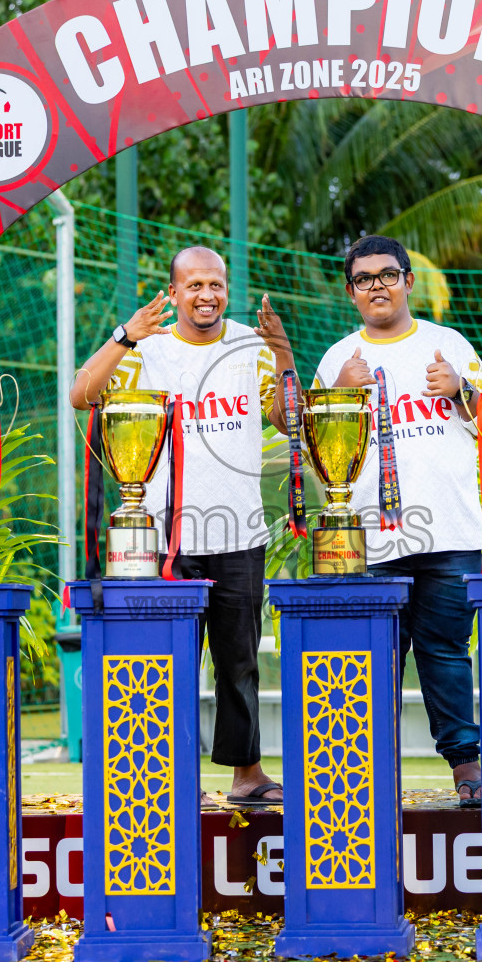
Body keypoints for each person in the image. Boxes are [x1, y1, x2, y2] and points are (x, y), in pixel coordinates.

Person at [69, 246, 293, 805]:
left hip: (239, 532)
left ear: (226, 288)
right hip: (163, 540)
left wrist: (284, 353)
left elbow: (289, 419)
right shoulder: (148, 351)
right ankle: (165, 782)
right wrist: (125, 335)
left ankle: (247, 777)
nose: (206, 295)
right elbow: (81, 395)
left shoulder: (250, 347)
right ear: (173, 294)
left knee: (238, 663)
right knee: (163, 667)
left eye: (215, 284)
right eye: (193, 285)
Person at [311, 235, 482, 807]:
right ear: (351, 292)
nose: (378, 286)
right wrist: (339, 392)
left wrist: (461, 390)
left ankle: (468, 770)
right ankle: (361, 782)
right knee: (366, 660)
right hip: (367, 536)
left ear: (408, 281)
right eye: (364, 279)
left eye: (388, 274)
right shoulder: (338, 358)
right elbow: (313, 451)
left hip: (449, 532)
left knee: (445, 652)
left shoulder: (448, 343)